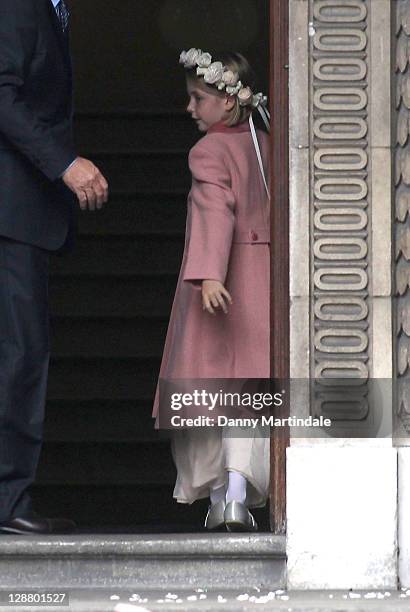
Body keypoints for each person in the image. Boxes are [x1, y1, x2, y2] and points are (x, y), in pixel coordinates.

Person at [0, 0, 109, 535]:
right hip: (10, 214)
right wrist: (63, 163)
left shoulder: (51, 10)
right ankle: (6, 500)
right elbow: (2, 95)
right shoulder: (17, 5)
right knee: (18, 355)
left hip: (26, 217)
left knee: (21, 355)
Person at [153, 48, 270, 531]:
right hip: (262, 285)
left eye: (198, 98)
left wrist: (209, 274)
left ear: (227, 103)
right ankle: (237, 493)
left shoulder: (208, 150)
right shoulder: (266, 144)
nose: (190, 107)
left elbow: (214, 211)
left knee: (206, 394)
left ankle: (222, 497)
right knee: (248, 393)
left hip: (221, 286)